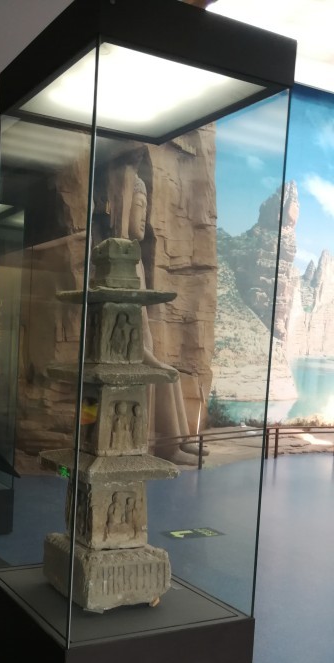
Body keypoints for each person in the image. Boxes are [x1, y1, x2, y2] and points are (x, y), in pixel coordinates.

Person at [106, 166, 207, 465]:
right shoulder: (118, 257)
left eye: (146, 208)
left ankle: (180, 440)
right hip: (126, 351)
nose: (144, 216)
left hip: (142, 346)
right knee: (167, 375)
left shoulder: (136, 258)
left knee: (170, 373)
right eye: (139, 206)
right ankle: (168, 448)